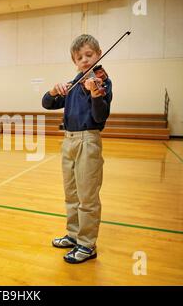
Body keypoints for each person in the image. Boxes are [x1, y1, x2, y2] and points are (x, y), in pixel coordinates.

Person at [41, 34, 112, 264]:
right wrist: (54, 90)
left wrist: (95, 95)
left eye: (88, 55)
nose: (84, 60)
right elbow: (47, 103)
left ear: (98, 54)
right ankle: (73, 235)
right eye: (79, 57)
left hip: (88, 140)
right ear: (75, 61)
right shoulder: (73, 84)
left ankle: (87, 244)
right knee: (71, 193)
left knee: (87, 196)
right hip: (68, 140)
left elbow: (101, 117)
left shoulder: (102, 82)